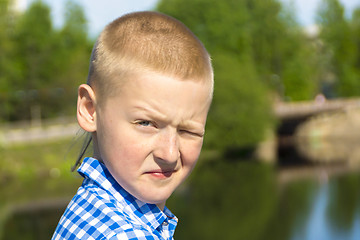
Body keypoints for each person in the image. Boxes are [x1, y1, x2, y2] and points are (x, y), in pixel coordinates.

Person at [52, 11, 213, 240]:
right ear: (90, 110)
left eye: (188, 130)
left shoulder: (91, 208)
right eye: (146, 123)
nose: (169, 153)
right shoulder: (126, 235)